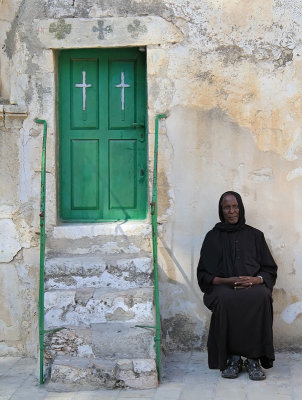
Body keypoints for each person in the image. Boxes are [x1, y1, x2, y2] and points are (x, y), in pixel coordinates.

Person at [197, 191, 277, 380]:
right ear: (221, 210)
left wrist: (255, 280)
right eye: (227, 207)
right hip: (223, 287)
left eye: (235, 207)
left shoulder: (256, 235)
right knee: (225, 299)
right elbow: (204, 275)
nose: (232, 211)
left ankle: (253, 359)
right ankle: (232, 358)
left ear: (240, 208)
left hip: (252, 284)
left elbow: (269, 269)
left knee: (260, 296)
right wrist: (228, 281)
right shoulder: (212, 237)